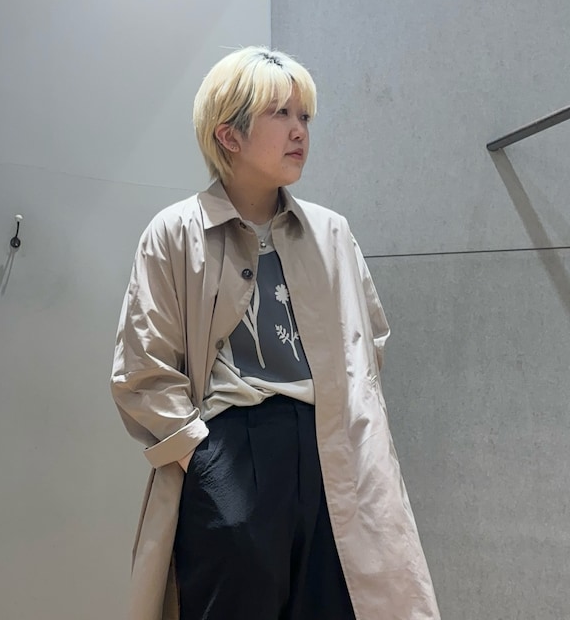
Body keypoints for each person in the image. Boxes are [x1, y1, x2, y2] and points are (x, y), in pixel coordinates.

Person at [110, 46, 440, 620]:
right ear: (229, 135)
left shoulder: (332, 233)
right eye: (280, 113)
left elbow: (369, 344)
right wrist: (202, 459)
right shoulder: (175, 233)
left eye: (304, 116)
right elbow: (143, 368)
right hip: (228, 451)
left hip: (329, 452)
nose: (299, 131)